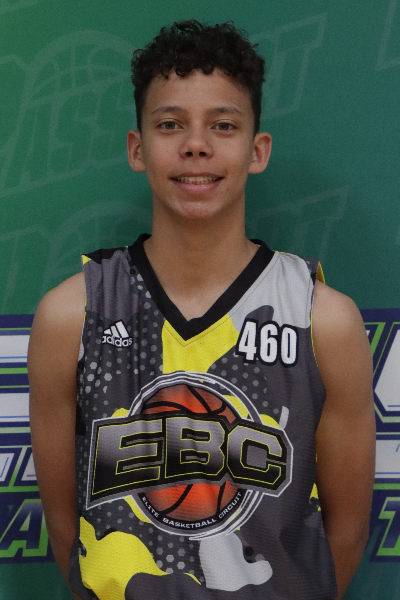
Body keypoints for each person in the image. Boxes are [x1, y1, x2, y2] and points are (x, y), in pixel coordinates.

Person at [28, 20, 375, 600]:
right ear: (137, 148)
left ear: (257, 150)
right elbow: (68, 532)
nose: (196, 144)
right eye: (170, 124)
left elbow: (347, 532)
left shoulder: (324, 321)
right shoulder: (72, 317)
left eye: (223, 125)